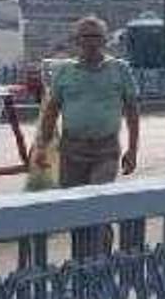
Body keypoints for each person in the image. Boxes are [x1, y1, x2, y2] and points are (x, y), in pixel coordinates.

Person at [32, 16, 140, 188]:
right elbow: (51, 112)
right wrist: (43, 148)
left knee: (98, 199)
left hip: (106, 149)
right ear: (77, 40)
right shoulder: (64, 70)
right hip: (71, 149)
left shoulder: (120, 69)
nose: (91, 42)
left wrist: (133, 150)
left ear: (105, 40)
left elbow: (132, 111)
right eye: (86, 36)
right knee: (73, 204)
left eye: (96, 36)